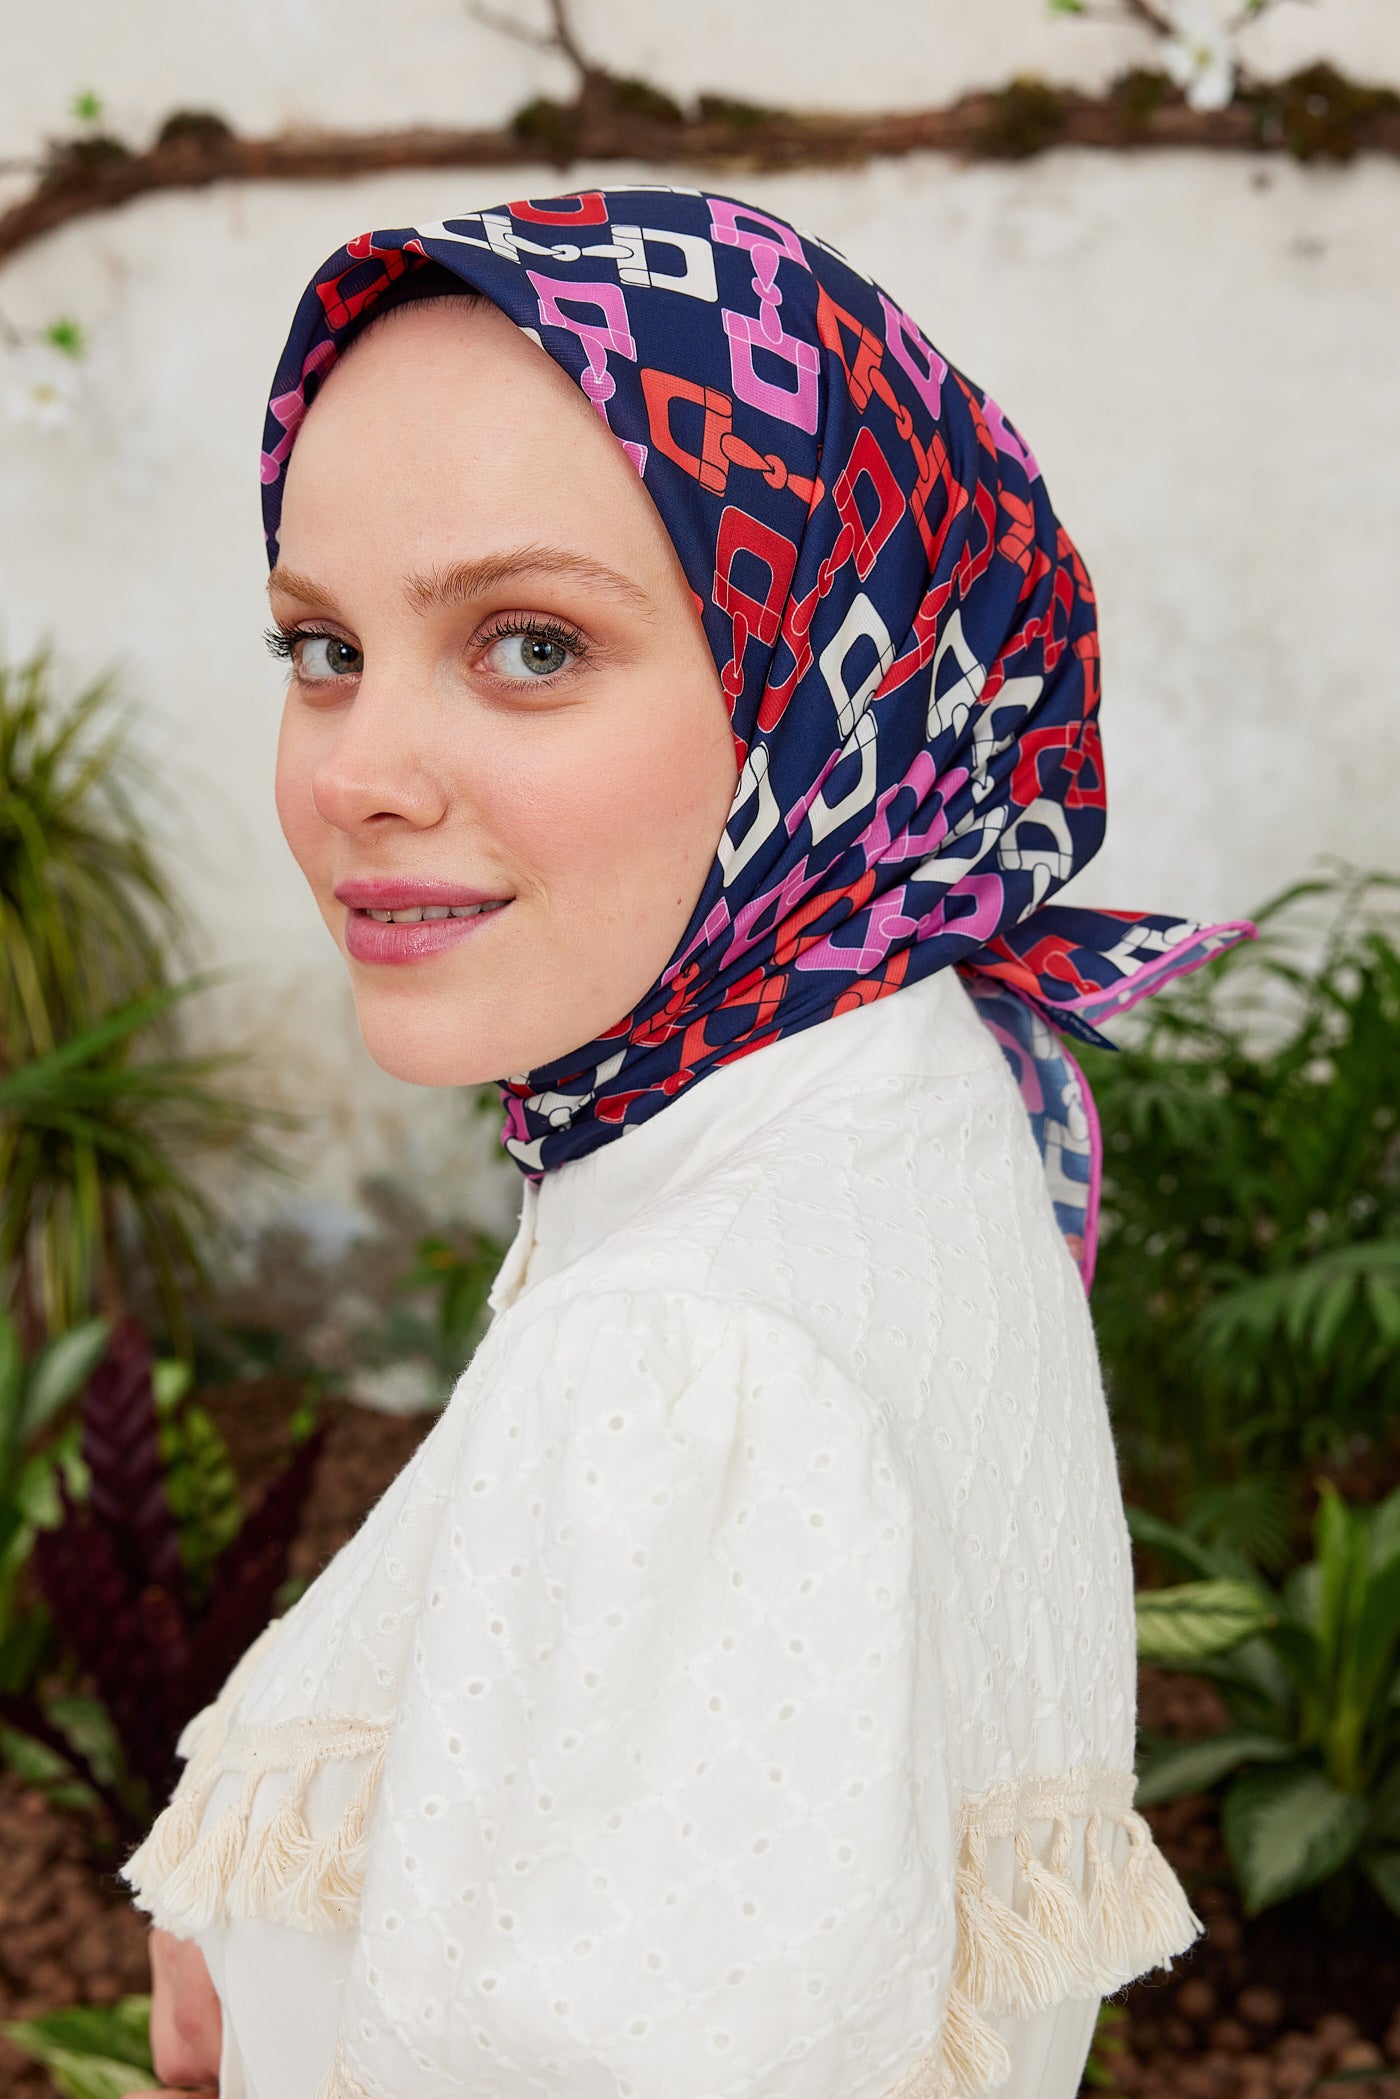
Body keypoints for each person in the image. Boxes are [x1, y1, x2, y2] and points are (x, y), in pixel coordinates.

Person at [124, 187, 1251, 2099]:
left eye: (531, 644)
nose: (357, 774)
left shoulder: (686, 1367)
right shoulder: (894, 1086)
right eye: (319, 647)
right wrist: (258, 1919)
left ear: (830, 690)